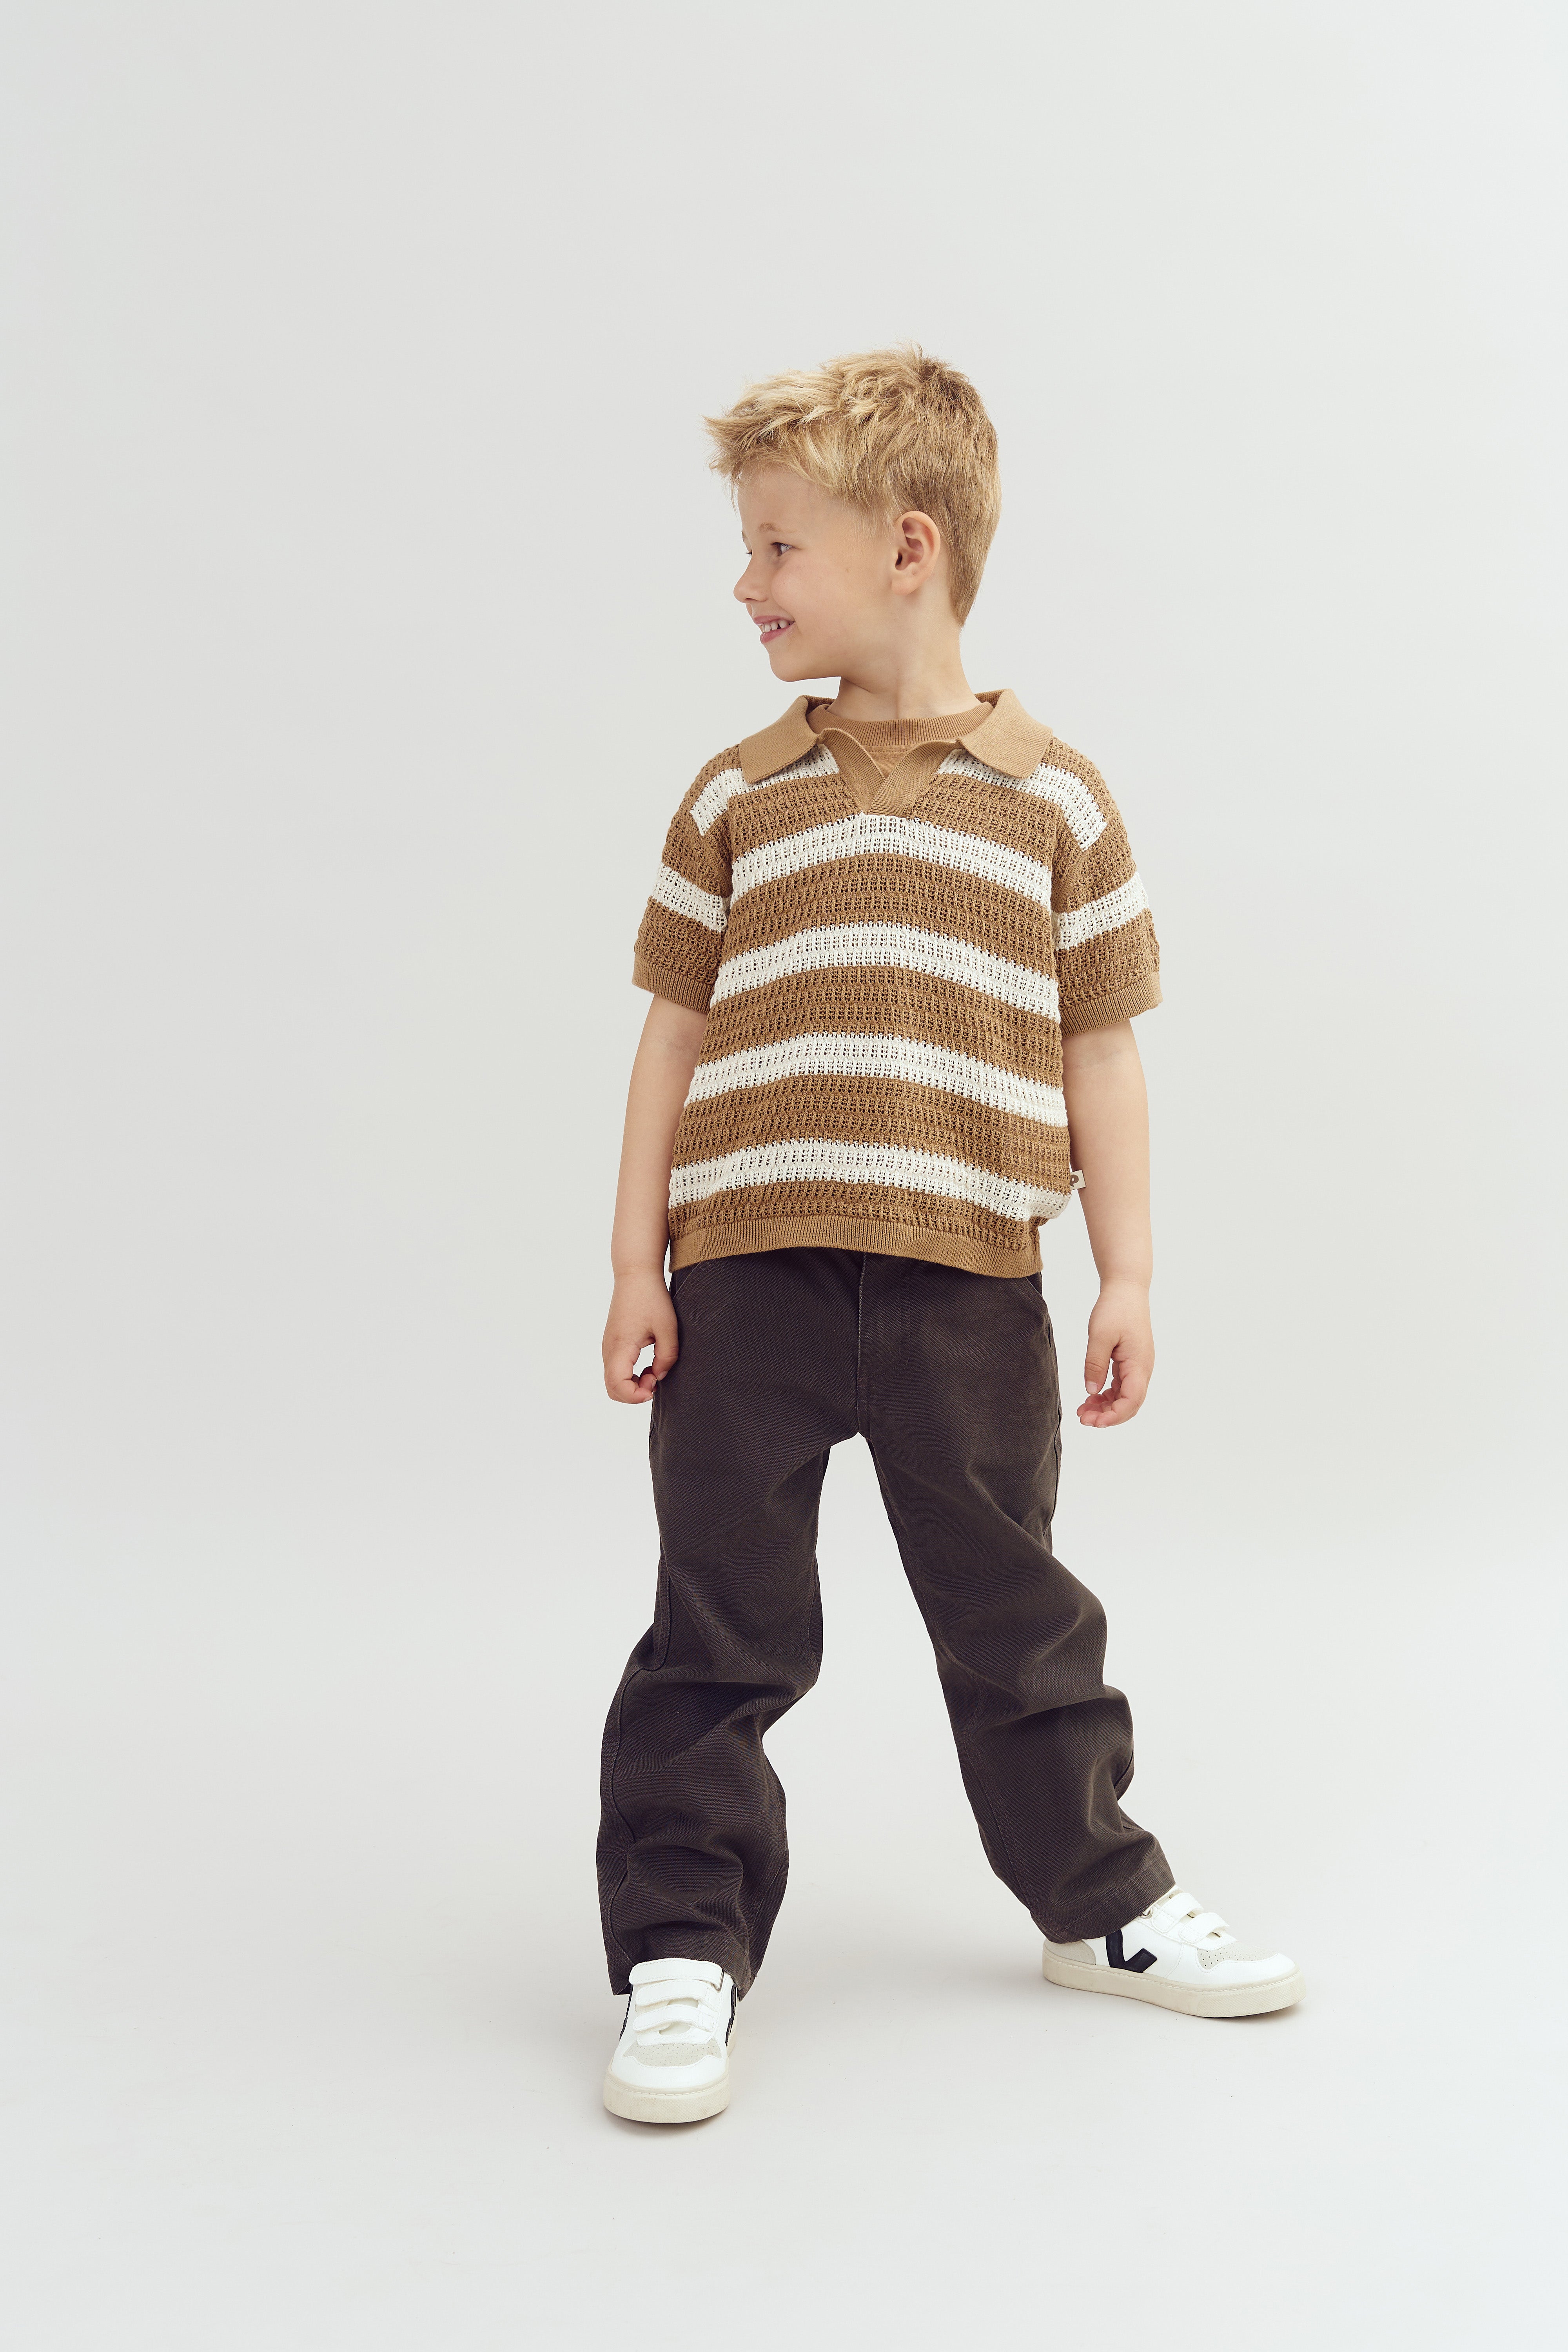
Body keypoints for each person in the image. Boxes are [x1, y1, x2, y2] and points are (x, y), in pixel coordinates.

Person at [595, 348, 1301, 2125]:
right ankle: (680, 1944)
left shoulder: (1057, 799)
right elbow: (671, 1038)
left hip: (970, 1290)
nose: (745, 583)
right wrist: (632, 1264)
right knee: (718, 1626)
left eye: (778, 548)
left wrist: (1127, 1272)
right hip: (747, 1283)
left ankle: (1099, 1902)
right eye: (747, 547)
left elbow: (1102, 1051)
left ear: (907, 548)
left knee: (1017, 1618)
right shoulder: (735, 795)